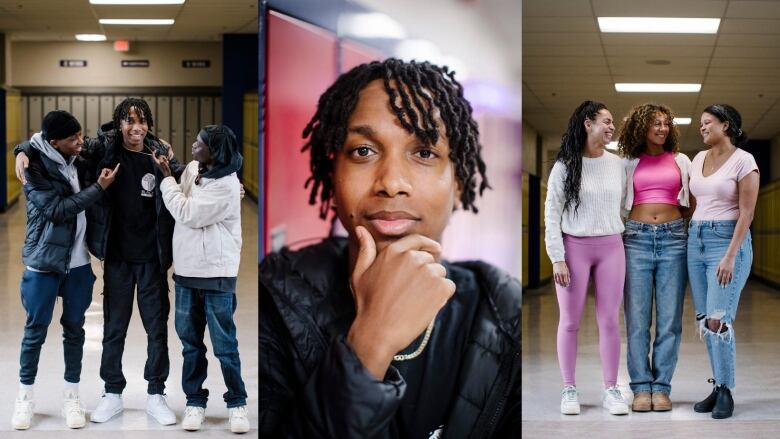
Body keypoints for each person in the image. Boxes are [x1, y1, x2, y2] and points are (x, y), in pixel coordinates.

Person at [259, 59, 520, 439]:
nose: (392, 183)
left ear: (459, 183)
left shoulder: (505, 314)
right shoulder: (274, 300)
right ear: (332, 178)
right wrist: (370, 343)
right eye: (363, 151)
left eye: (425, 152)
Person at [14, 98, 184, 425]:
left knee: (156, 330)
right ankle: (113, 393)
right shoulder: (101, 148)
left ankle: (155, 393)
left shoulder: (159, 153)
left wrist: (225, 183)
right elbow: (48, 143)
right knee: (113, 330)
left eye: (143, 121)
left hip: (152, 258)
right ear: (119, 123)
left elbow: (188, 180)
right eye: (129, 121)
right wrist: (20, 150)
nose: (137, 127)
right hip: (117, 256)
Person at [11, 111, 118, 430]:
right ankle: (24, 397)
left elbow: (108, 142)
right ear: (54, 142)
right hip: (43, 264)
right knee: (35, 331)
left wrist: (156, 143)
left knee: (75, 331)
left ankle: (72, 395)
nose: (80, 142)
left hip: (79, 265)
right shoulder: (35, 170)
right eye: (73, 139)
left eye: (80, 136)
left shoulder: (78, 158)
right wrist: (98, 188)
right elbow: (57, 211)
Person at [154, 125, 249, 433]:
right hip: (186, 273)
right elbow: (187, 182)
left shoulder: (227, 186)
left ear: (215, 150)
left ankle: (237, 403)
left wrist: (166, 178)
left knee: (224, 345)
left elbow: (185, 211)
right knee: (190, 344)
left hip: (216, 275)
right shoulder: (197, 168)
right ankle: (195, 401)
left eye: (200, 143)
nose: (194, 146)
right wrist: (173, 167)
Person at [544, 100, 628, 416]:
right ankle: (569, 389)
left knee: (609, 320)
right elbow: (551, 213)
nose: (611, 127)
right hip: (574, 248)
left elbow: (624, 206)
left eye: (612, 123)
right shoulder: (565, 166)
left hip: (611, 248)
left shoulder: (617, 164)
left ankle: (611, 389)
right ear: (587, 124)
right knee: (570, 321)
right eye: (606, 121)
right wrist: (557, 257)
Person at [616, 103, 692, 412]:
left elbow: (692, 200)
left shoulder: (681, 160)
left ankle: (661, 387)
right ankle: (640, 388)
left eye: (665, 123)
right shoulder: (628, 163)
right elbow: (617, 201)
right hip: (636, 239)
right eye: (654, 123)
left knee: (670, 320)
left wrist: (677, 226)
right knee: (637, 319)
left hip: (674, 239)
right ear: (641, 127)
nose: (661, 128)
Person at [688, 104, 758, 419]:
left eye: (707, 123)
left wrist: (731, 255)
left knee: (719, 320)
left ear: (725, 125)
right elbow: (693, 201)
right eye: (701, 124)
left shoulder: (745, 161)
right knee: (707, 321)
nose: (702, 127)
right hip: (696, 241)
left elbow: (747, 212)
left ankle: (726, 390)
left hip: (727, 243)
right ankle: (717, 386)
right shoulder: (698, 159)